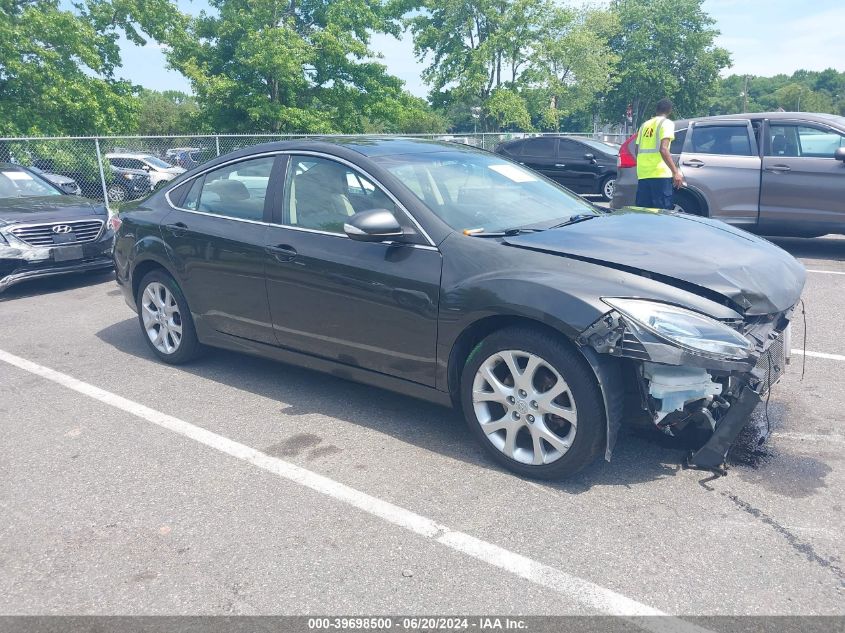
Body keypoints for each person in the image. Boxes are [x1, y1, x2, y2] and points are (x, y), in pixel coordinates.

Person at [634, 98, 684, 209]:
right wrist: (675, 172)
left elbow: (637, 149)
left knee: (644, 212)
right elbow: (663, 149)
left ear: (656, 110)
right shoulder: (666, 124)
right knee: (662, 213)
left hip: (643, 174)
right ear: (669, 111)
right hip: (659, 174)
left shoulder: (644, 125)